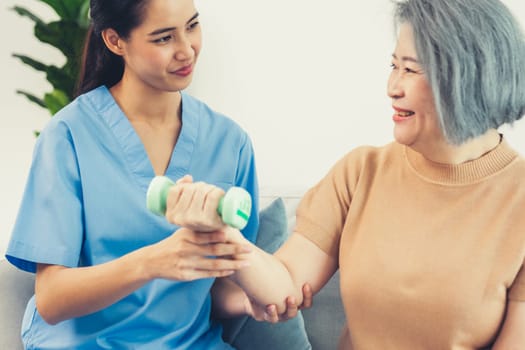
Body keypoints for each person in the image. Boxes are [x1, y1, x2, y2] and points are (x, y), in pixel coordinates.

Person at [164, 0, 525, 349]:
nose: (392, 87)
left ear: (466, 77)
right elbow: (285, 286)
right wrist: (221, 233)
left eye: (411, 70)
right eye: (393, 65)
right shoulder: (361, 172)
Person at [5, 0, 309, 349]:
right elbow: (52, 298)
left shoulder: (229, 142)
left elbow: (216, 281)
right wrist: (154, 261)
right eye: (164, 38)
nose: (186, 50)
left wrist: (244, 302)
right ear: (116, 41)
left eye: (192, 26)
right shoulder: (68, 136)